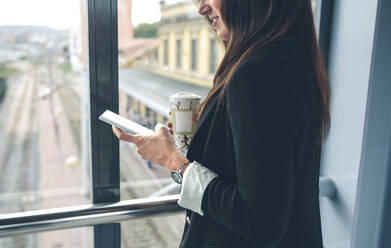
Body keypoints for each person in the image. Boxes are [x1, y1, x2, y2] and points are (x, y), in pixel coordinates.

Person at [113, 0, 330, 247]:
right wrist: (211, 135)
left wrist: (171, 160)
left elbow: (261, 222)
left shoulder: (255, 73)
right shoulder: (291, 60)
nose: (201, 9)